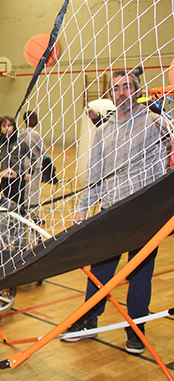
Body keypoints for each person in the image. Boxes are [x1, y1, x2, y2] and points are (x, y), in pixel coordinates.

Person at [65, 68, 170, 355]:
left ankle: (136, 329)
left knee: (140, 274)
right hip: (111, 213)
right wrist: (84, 209)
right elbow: (94, 174)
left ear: (137, 90)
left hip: (144, 215)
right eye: (116, 88)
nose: (121, 93)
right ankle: (88, 320)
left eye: (126, 87)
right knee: (100, 271)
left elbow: (165, 168)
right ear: (110, 94)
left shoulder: (155, 123)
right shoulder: (103, 131)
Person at [0, 117, 27, 206]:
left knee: (19, 203)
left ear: (14, 126)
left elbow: (33, 156)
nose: (7, 128)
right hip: (4, 178)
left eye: (9, 125)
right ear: (0, 128)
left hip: (18, 177)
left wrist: (29, 172)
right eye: (4, 126)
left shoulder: (20, 142)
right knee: (7, 201)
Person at [18, 111, 46, 223]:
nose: (37, 121)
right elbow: (43, 149)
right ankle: (33, 214)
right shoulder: (34, 134)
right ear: (30, 120)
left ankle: (24, 211)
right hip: (34, 164)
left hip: (23, 164)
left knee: (25, 189)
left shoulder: (20, 133)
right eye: (35, 118)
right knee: (33, 190)